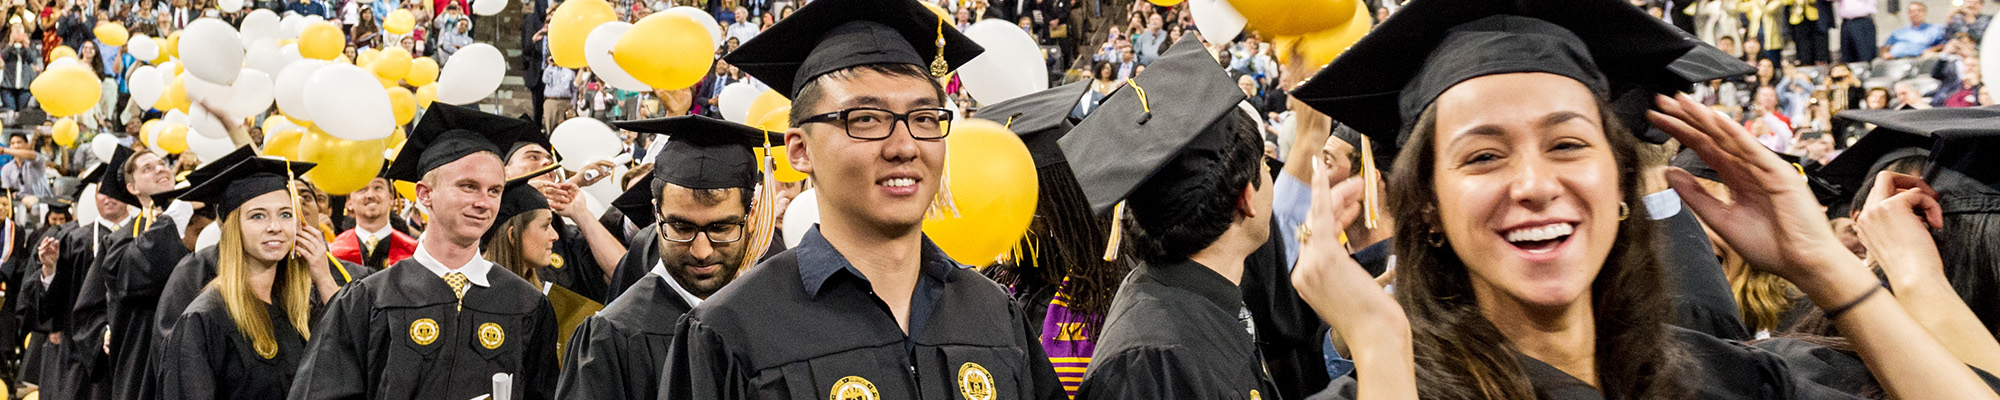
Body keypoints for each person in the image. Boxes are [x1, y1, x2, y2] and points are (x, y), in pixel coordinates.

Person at [1288, 0, 2000, 398]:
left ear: (1623, 182)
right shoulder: (1384, 391)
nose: (1535, 185)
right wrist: (1383, 352)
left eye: (1568, 145)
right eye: (1482, 156)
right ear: (1427, 210)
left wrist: (1823, 265)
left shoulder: (1721, 378)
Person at [657, 0, 1065, 397]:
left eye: (924, 118)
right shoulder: (730, 332)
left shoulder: (993, 312)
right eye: (866, 119)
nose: (905, 146)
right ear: (799, 150)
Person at [1058, 34, 1280, 399]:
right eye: (1266, 167)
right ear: (1247, 197)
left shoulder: (1192, 299)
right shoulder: (1149, 364)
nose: (1272, 175)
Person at [289, 104, 560, 400]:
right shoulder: (367, 300)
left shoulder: (526, 304)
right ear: (424, 194)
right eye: (469, 186)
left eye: (494, 190)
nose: (484, 202)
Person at [554, 115, 777, 400]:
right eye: (681, 227)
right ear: (657, 214)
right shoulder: (612, 336)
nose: (701, 251)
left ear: (753, 216)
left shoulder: (772, 317)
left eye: (720, 228)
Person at [156, 156, 373, 400]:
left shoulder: (301, 308)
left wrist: (323, 278)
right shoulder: (205, 318)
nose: (275, 226)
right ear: (233, 228)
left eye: (286, 215)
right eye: (258, 216)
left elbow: (355, 365)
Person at [328, 173, 418, 270]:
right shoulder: (333, 251)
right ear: (349, 203)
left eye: (378, 187)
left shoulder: (414, 251)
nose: (370, 195)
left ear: (391, 198)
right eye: (361, 189)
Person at [1883, 2, 1948, 59]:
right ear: (1908, 14)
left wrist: (1931, 50)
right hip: (1896, 62)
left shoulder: (1935, 29)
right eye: (1912, 11)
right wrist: (1885, 54)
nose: (1915, 13)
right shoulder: (1898, 32)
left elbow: (1944, 44)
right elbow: (1886, 47)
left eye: (1919, 10)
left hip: (1921, 61)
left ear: (1925, 13)